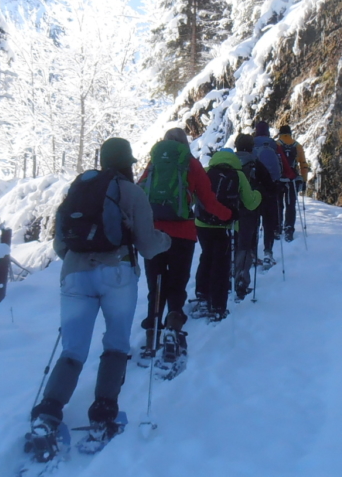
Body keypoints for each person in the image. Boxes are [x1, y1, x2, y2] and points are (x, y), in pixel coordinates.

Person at [28, 138, 171, 455]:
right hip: (117, 273)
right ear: (127, 163)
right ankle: (103, 416)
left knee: (72, 349)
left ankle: (48, 416)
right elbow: (148, 245)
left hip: (75, 275)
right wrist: (166, 241)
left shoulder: (79, 188)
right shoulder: (131, 192)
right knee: (116, 344)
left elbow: (60, 245)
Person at [138, 128, 231, 359]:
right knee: (177, 284)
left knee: (155, 285)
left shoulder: (154, 163)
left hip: (154, 232)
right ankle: (173, 327)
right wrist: (228, 215)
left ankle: (152, 334)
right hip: (183, 234)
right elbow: (208, 201)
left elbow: (139, 192)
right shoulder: (191, 164)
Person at [193, 147, 261, 321]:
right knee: (221, 265)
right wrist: (258, 194)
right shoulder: (238, 175)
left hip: (202, 223)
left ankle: (202, 296)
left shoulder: (206, 171)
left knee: (206, 257)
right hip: (226, 225)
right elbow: (251, 203)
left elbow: (193, 196)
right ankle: (218, 306)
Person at [230, 134, 273, 299]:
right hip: (249, 209)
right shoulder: (255, 163)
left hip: (228, 209)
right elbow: (268, 186)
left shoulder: (229, 162)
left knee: (230, 243)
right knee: (245, 245)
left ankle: (227, 275)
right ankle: (241, 280)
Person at [251, 121, 288, 265]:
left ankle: (253, 253)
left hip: (254, 188)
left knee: (254, 222)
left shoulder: (251, 144)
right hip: (272, 187)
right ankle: (268, 252)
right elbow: (283, 164)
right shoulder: (274, 145)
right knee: (269, 222)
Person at [276, 125, 310, 242]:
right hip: (292, 180)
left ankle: (278, 227)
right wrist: (304, 180)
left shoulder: (276, 145)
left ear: (280, 133)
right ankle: (289, 229)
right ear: (290, 133)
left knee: (279, 204)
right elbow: (303, 165)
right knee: (290, 205)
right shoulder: (297, 146)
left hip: (279, 180)